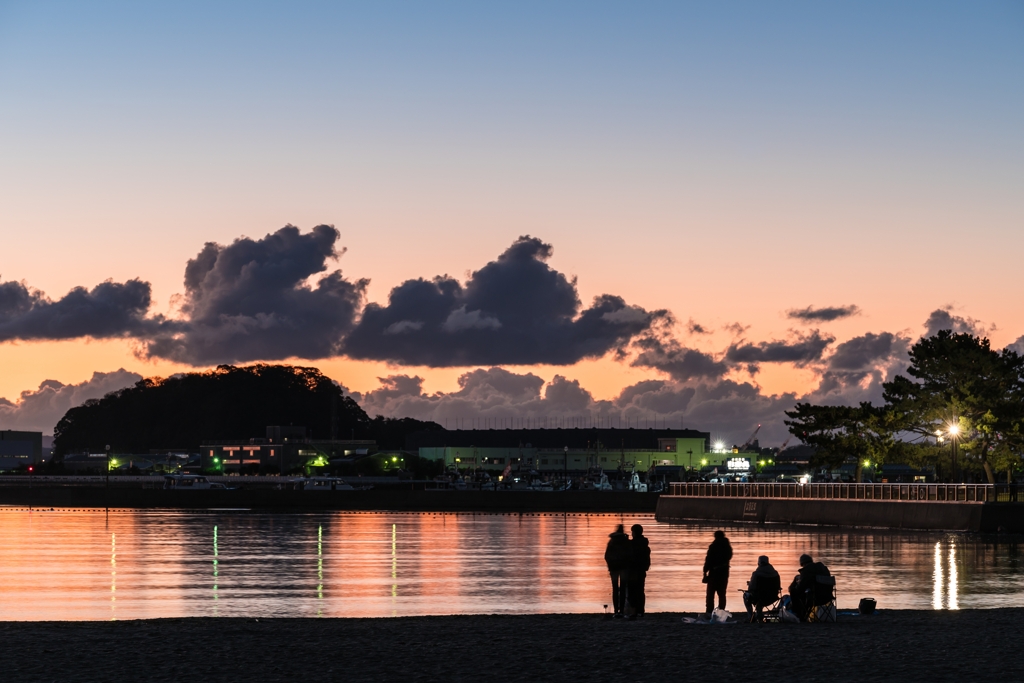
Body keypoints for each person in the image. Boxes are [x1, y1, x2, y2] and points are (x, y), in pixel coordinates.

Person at [788, 553, 831, 621]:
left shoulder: (807, 571)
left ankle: (797, 614)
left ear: (802, 563)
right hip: (828, 597)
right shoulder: (823, 569)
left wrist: (792, 588)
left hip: (815, 598)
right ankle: (802, 613)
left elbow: (800, 588)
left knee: (794, 592)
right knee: (806, 592)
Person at [702, 530, 733, 615]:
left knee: (710, 594)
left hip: (714, 572)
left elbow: (708, 560)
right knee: (722, 593)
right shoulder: (727, 547)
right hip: (724, 572)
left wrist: (705, 572)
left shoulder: (713, 546)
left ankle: (709, 611)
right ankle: (721, 611)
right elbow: (729, 557)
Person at [604, 524, 631, 618]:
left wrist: (610, 565)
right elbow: (629, 555)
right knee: (623, 589)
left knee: (615, 589)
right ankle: (622, 610)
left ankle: (616, 611)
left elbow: (607, 556)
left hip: (614, 568)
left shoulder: (611, 542)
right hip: (624, 568)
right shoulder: (626, 542)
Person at [742, 555, 781, 620]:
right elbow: (778, 587)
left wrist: (750, 584)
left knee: (746, 595)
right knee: (760, 593)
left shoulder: (756, 574)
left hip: (759, 598)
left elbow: (752, 588)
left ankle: (751, 616)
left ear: (758, 563)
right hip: (772, 598)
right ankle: (759, 612)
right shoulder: (775, 573)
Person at [627, 524, 651, 618]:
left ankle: (634, 612)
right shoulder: (644, 544)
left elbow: (629, 555)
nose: (632, 534)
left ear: (635, 532)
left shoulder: (632, 544)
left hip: (633, 571)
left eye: (632, 532)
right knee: (640, 591)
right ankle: (641, 611)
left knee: (632, 591)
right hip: (642, 571)